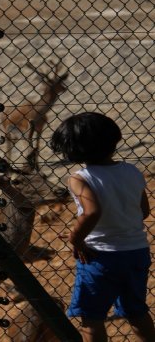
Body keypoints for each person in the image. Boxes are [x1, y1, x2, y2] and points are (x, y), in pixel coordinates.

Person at [50, 112, 154, 342]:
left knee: (91, 317)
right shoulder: (132, 171)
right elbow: (143, 211)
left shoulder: (80, 178)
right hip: (136, 252)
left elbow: (92, 211)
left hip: (100, 257)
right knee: (136, 311)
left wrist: (76, 239)